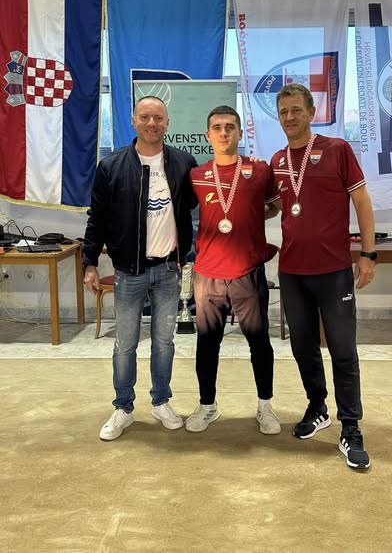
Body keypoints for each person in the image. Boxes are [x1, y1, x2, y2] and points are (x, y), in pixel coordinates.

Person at [270, 83, 375, 469]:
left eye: (296, 110)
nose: (290, 117)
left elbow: (361, 201)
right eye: (284, 112)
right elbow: (274, 207)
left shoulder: (337, 150)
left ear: (311, 113)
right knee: (303, 347)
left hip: (333, 271)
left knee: (343, 349)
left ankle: (351, 427)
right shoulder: (277, 160)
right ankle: (317, 407)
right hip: (292, 271)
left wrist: (368, 255)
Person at [83, 95, 197, 441]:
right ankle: (123, 407)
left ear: (167, 124)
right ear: (133, 121)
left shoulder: (183, 163)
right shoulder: (111, 166)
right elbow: (97, 218)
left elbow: (197, 208)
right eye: (145, 117)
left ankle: (161, 401)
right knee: (125, 344)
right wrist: (90, 262)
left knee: (164, 342)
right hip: (128, 272)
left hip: (168, 270)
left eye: (158, 118)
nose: (152, 123)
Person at [185, 105, 281, 435]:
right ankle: (207, 406)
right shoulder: (197, 175)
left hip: (247, 271)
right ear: (208, 135)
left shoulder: (260, 170)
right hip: (208, 274)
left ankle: (265, 407)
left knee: (259, 343)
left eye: (230, 126)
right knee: (207, 344)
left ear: (240, 133)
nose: (223, 132)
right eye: (217, 127)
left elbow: (276, 205)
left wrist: (250, 215)